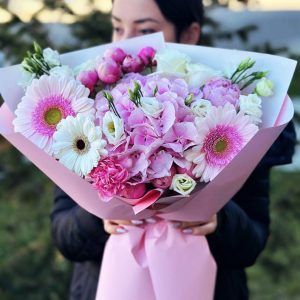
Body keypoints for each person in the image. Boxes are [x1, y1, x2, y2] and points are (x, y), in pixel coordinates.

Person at [50, 0, 296, 299]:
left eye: (146, 30)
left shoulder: (234, 120)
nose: (125, 43)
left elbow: (251, 244)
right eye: (117, 27)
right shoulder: (83, 115)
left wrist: (217, 219)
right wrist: (100, 213)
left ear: (190, 33)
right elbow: (64, 236)